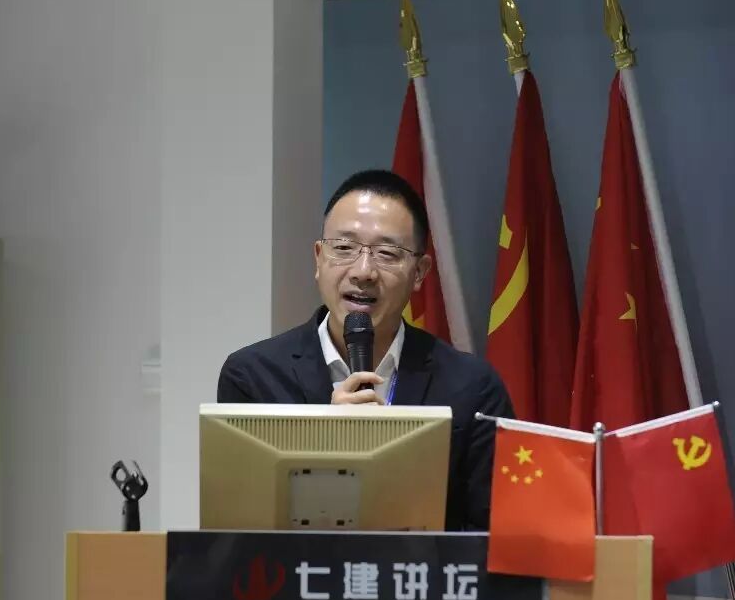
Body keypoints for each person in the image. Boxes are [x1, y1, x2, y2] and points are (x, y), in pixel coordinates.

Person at [217, 168, 515, 531]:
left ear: (420, 272)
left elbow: (494, 536)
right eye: (343, 248)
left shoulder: (472, 387)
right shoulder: (253, 376)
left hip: (420, 568)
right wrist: (324, 444)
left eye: (387, 253)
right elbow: (237, 529)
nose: (363, 272)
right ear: (318, 258)